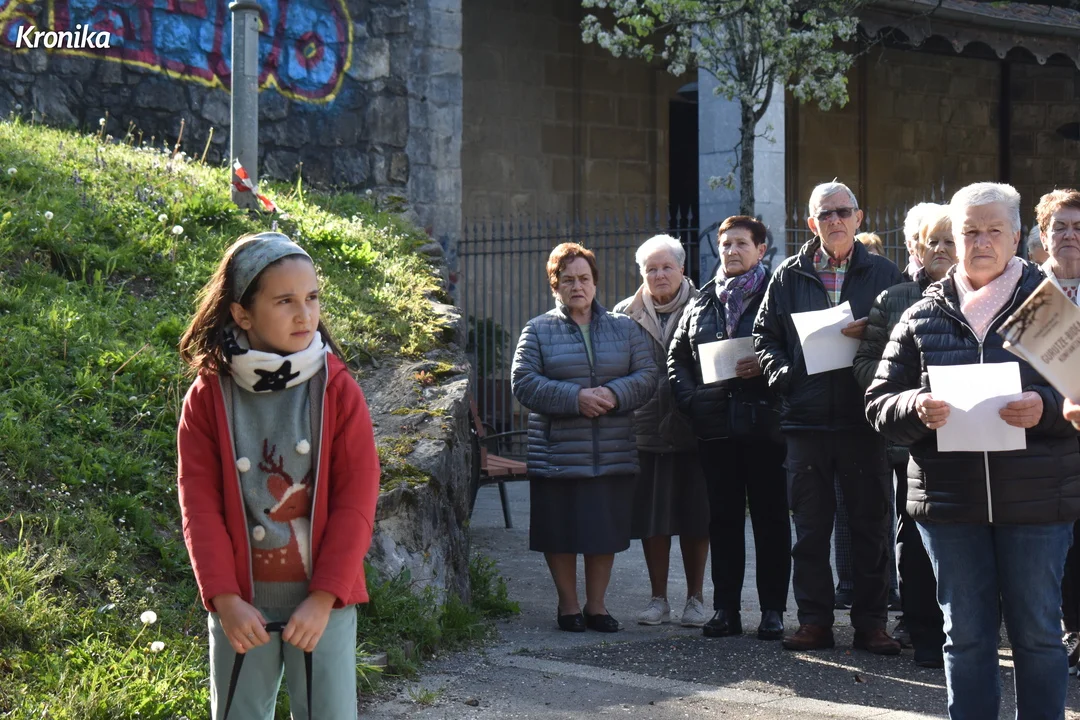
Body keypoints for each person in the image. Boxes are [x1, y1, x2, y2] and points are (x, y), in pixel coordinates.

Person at [866, 182, 1080, 719]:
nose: (981, 242)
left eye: (993, 231)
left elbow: (1079, 392)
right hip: (951, 505)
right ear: (955, 238)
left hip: (1036, 502)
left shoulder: (1045, 308)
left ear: (1016, 236)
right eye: (970, 232)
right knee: (964, 637)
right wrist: (915, 406)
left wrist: (1044, 407)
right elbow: (878, 401)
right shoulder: (923, 313)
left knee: (1038, 636)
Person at [176, 232, 381, 720]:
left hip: (323, 602)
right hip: (242, 607)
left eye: (312, 298)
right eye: (285, 301)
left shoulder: (338, 389)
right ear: (242, 314)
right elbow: (198, 507)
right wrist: (225, 599)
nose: (305, 314)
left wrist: (324, 598)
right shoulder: (207, 396)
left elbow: (357, 501)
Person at [754, 180, 904, 654]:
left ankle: (872, 625)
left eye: (843, 211)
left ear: (859, 218)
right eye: (825, 213)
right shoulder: (788, 275)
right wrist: (785, 375)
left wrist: (874, 334)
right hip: (806, 421)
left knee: (870, 528)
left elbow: (907, 336)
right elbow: (764, 336)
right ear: (811, 223)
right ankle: (814, 622)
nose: (835, 220)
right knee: (811, 531)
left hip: (864, 420)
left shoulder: (885, 273)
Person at [511, 242, 656, 633]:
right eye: (568, 279)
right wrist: (575, 398)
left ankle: (597, 606)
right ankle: (569, 606)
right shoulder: (537, 330)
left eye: (584, 278)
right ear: (555, 285)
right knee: (559, 533)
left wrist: (613, 394)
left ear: (595, 283)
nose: (577, 286)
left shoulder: (624, 328)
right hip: (557, 452)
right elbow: (523, 382)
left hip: (610, 450)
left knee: (602, 532)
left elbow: (647, 376)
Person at [669, 215, 791, 640]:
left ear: (761, 250)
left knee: (771, 520)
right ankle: (726, 609)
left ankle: (773, 611)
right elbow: (677, 359)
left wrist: (765, 364)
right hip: (716, 427)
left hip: (765, 426)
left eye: (741, 243)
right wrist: (692, 401)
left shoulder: (779, 296)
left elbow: (795, 351)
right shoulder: (703, 300)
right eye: (725, 244)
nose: (732, 251)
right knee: (722, 520)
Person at [853, 204, 956, 669]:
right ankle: (922, 632)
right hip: (910, 443)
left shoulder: (987, 299)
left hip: (973, 443)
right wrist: (912, 392)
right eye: (933, 241)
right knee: (912, 540)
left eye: (950, 240)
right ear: (917, 247)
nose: (941, 249)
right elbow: (865, 365)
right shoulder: (894, 299)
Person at [613, 235, 711, 628]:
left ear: (682, 269)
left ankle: (696, 599)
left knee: (695, 519)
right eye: (650, 269)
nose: (659, 275)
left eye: (666, 267)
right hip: (645, 431)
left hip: (694, 432)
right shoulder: (624, 314)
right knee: (653, 522)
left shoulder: (706, 305)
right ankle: (658, 600)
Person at [1035, 188, 1080, 673]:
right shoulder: (1028, 292)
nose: (1070, 235)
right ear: (1043, 236)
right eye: (1060, 227)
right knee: (1053, 541)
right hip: (1042, 436)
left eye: (1079, 227)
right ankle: (1063, 630)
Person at [902, 202, 941, 281]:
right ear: (909, 245)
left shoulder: (962, 282)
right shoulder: (898, 283)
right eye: (919, 237)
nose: (939, 247)